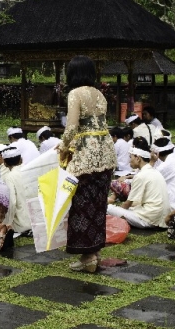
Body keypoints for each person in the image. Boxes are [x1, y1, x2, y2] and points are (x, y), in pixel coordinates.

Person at [59, 56, 116, 272]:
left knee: (81, 206)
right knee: (98, 206)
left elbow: (72, 127)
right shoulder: (99, 93)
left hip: (86, 153)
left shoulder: (75, 94)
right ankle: (95, 252)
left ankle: (88, 257)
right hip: (105, 151)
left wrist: (64, 146)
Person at [107, 139, 168, 230]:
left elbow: (128, 204)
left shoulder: (140, 176)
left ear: (138, 158)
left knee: (108, 208)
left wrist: (118, 210)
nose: (129, 161)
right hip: (161, 219)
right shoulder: (154, 171)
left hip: (149, 220)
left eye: (130, 157)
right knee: (128, 209)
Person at [1, 146, 31, 235]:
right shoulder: (29, 171)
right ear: (20, 160)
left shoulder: (9, 177)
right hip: (37, 221)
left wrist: (7, 223)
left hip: (21, 225)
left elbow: (12, 203)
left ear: (5, 163)